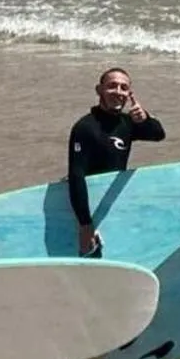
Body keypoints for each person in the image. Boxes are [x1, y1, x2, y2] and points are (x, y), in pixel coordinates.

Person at [66, 68, 166, 256]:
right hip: (86, 206)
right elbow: (76, 175)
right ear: (99, 90)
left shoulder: (127, 123)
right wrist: (85, 225)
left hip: (111, 204)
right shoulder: (85, 128)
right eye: (112, 86)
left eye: (124, 88)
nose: (118, 92)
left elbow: (158, 135)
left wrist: (145, 119)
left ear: (129, 94)